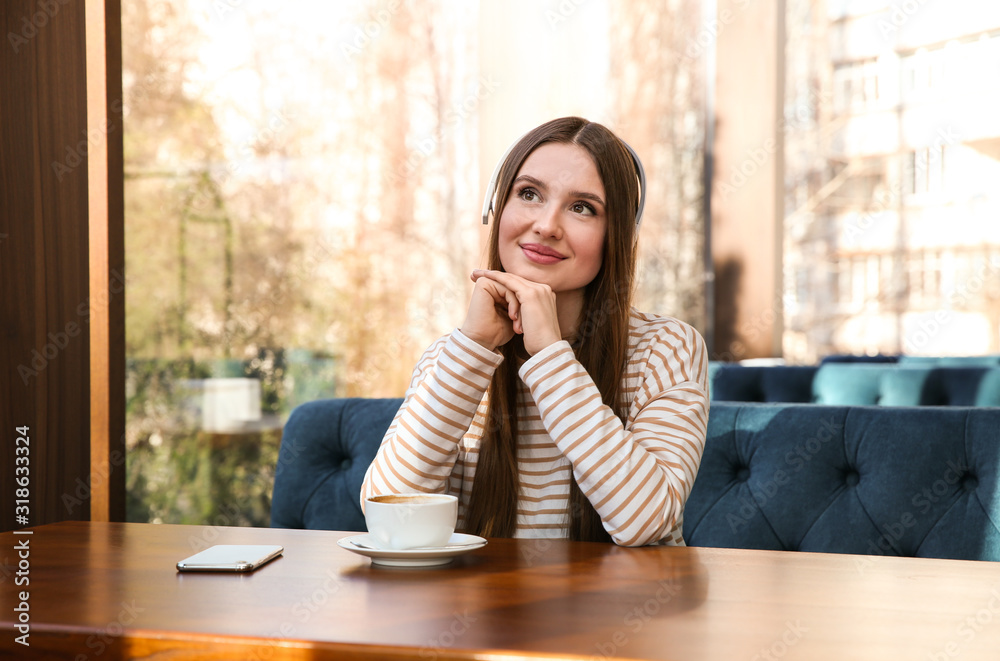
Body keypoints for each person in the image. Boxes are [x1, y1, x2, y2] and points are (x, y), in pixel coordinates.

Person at [361, 116, 709, 546]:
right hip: (487, 610)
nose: (546, 225)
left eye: (582, 207)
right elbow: (387, 515)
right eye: (528, 194)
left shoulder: (666, 348)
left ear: (615, 234)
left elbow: (646, 523)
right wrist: (473, 348)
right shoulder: (454, 357)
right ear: (497, 209)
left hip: (619, 611)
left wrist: (549, 354)